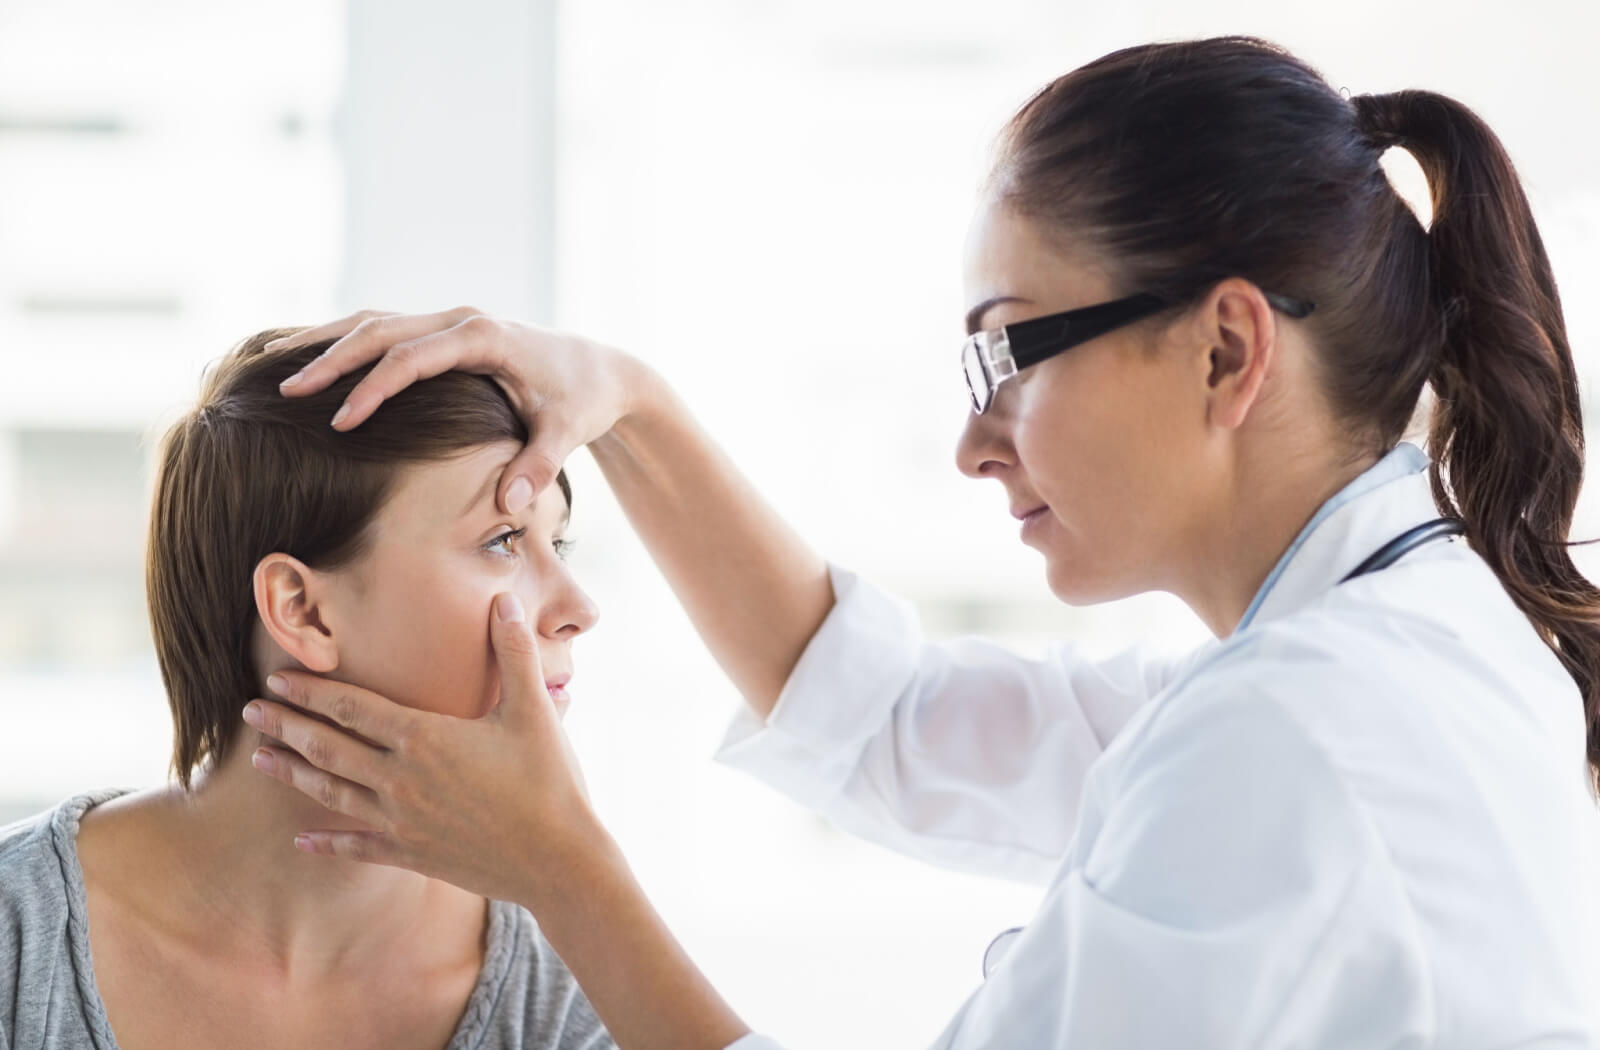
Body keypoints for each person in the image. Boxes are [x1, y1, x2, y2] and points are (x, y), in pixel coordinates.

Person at [244, 36, 1598, 1049]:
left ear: (1227, 348)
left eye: (1009, 352)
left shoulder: (1299, 732)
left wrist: (564, 872)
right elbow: (891, 716)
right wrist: (628, 401)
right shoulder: (1378, 637)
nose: (976, 441)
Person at [0, 330, 614, 1050]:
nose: (578, 608)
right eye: (503, 540)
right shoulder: (19, 943)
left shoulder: (571, 980)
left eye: (558, 543)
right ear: (302, 608)